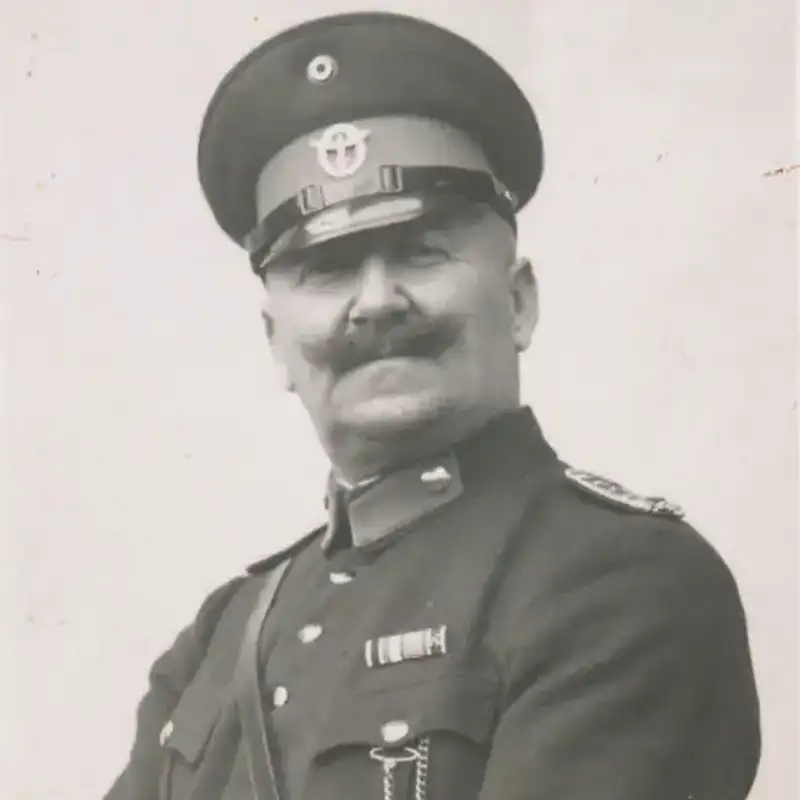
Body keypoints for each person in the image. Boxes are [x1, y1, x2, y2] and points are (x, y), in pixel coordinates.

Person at [104, 12, 760, 800]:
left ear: (517, 302)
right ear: (278, 342)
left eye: (422, 250)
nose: (377, 303)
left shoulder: (621, 581)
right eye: (329, 269)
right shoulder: (222, 631)